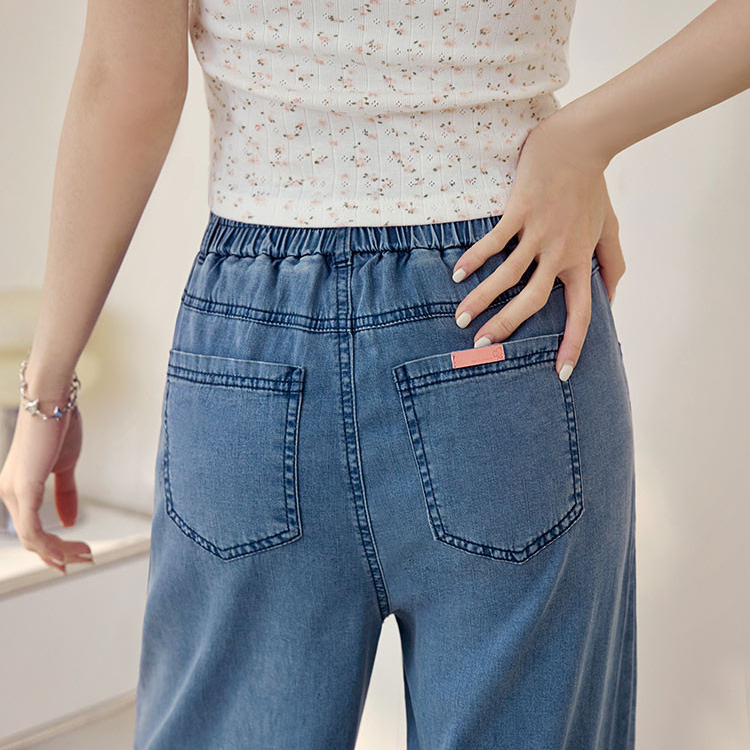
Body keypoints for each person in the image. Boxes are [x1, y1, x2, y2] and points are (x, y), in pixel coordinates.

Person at [1, 0, 748, 747]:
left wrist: (44, 395)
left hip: (254, 346)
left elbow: (122, 82)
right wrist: (582, 140)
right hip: (501, 297)